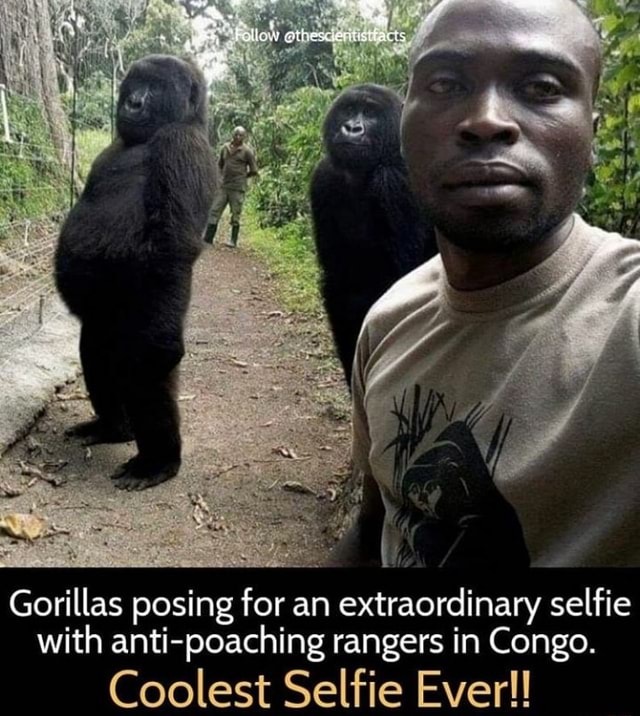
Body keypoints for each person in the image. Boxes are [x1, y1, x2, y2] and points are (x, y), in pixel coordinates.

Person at [329, 0, 640, 568]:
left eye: (542, 86)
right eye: (446, 83)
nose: (486, 119)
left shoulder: (628, 313)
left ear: (592, 136)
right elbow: (377, 527)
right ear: (406, 127)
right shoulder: (389, 321)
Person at [204, 126, 258, 247]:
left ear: (244, 137)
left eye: (241, 135)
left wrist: (243, 177)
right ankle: (208, 238)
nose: (238, 137)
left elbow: (254, 170)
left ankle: (233, 241)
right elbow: (219, 165)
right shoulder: (225, 148)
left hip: (237, 188)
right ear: (232, 135)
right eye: (236, 135)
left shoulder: (247, 151)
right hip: (223, 186)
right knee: (214, 211)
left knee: (235, 213)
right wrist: (218, 178)